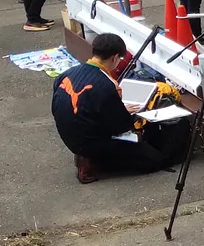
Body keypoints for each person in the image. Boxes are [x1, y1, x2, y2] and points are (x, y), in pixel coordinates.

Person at [52, 33, 189, 182]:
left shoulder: (67, 74)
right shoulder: (105, 85)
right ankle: (96, 161)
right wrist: (126, 112)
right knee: (155, 160)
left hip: (69, 134)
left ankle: (90, 156)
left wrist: (115, 107)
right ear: (115, 58)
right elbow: (121, 127)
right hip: (91, 142)